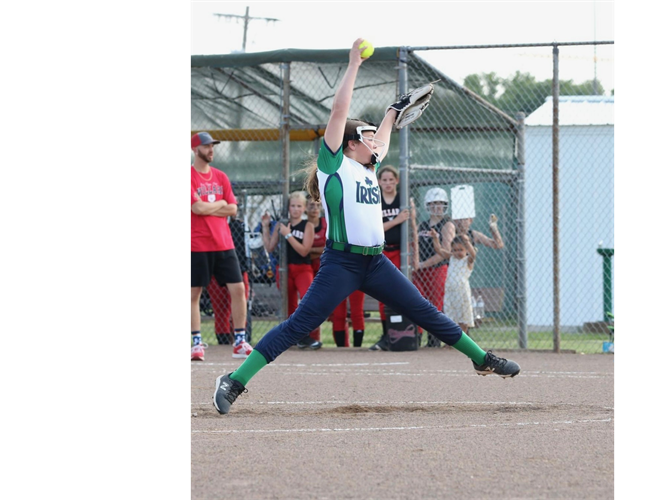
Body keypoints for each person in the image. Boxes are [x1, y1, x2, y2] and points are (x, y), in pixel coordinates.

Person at [213, 38, 520, 415]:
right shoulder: (334, 166)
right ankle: (235, 380)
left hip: (375, 263)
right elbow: (340, 112)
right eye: (368, 136)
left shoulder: (368, 167)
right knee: (299, 325)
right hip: (341, 263)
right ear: (350, 144)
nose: (376, 141)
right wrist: (354, 64)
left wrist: (391, 114)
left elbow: (384, 139)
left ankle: (481, 358)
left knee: (424, 311)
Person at [190, 131, 253, 362]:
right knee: (194, 294)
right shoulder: (190, 176)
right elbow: (196, 209)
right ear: (195, 149)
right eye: (207, 147)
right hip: (197, 244)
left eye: (212, 146)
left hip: (223, 243)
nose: (211, 150)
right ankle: (196, 343)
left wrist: (208, 205)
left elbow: (233, 209)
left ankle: (239, 341)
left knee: (238, 289)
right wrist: (219, 204)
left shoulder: (221, 177)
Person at [261, 191, 322, 350]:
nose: (295, 209)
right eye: (293, 206)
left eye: (299, 206)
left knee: (308, 301)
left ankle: (308, 337)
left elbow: (304, 250)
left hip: (303, 268)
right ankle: (293, 338)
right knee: (289, 304)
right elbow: (269, 247)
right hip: (284, 270)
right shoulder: (281, 225)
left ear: (304, 209)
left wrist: (288, 235)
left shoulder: (307, 225)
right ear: (288, 208)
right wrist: (266, 227)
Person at [309, 196, 365, 348]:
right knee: (338, 312)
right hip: (336, 270)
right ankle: (342, 349)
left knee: (356, 311)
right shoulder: (332, 223)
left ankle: (358, 349)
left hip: (356, 267)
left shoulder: (359, 222)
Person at [369, 165, 413, 351]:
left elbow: (413, 229)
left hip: (402, 254)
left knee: (406, 293)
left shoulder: (404, 200)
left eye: (390, 179)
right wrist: (395, 220)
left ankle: (409, 333)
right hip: (383, 252)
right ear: (378, 182)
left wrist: (414, 254)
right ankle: (387, 334)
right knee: (383, 295)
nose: (387, 183)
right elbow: (375, 227)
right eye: (384, 180)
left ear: (397, 181)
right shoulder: (374, 199)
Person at [412, 186, 455, 347]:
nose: (437, 207)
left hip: (437, 270)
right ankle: (416, 337)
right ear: (427, 205)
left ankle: (433, 340)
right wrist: (417, 263)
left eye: (441, 203)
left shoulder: (447, 224)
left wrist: (423, 264)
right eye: (434, 203)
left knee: (435, 305)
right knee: (416, 302)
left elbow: (445, 251)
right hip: (420, 270)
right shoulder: (423, 225)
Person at [207, 215, 251, 345]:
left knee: (240, 301)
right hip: (215, 270)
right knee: (220, 308)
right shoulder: (210, 225)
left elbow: (249, 249)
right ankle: (223, 339)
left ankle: (240, 337)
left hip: (240, 270)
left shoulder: (240, 225)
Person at [433, 232, 477, 336]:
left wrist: (467, 241)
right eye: (455, 250)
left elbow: (473, 255)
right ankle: (451, 341)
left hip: (462, 292)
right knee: (451, 316)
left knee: (463, 318)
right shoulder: (452, 258)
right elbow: (439, 250)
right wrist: (435, 238)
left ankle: (462, 339)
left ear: (466, 250)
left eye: (461, 250)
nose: (457, 253)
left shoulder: (467, 261)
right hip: (450, 293)